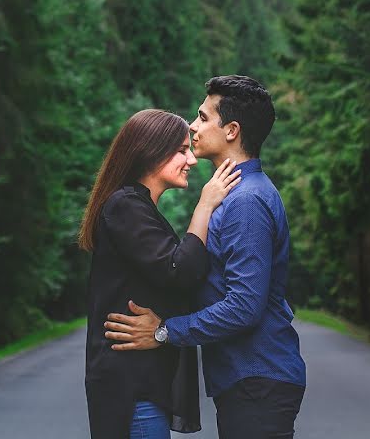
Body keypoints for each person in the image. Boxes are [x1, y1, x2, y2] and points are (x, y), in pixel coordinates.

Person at [104, 76, 307, 439]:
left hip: (258, 377)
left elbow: (245, 305)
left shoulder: (246, 202)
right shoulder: (233, 196)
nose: (192, 126)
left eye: (201, 117)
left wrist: (165, 331)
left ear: (231, 130)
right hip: (248, 379)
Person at [79, 109, 242, 439]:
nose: (192, 160)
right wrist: (204, 207)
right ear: (150, 152)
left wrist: (163, 327)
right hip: (132, 389)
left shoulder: (137, 207)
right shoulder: (125, 205)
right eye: (181, 150)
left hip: (140, 386)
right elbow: (180, 270)